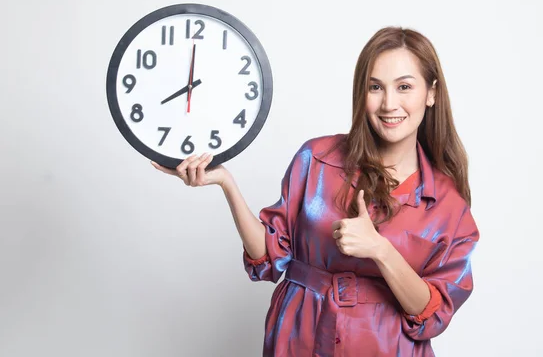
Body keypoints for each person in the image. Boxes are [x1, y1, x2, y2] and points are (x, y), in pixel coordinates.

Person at [152, 27, 480, 356]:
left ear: (431, 93)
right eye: (375, 87)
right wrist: (225, 182)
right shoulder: (317, 159)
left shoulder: (448, 205)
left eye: (404, 87)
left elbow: (432, 314)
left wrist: (379, 249)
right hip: (299, 339)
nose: (389, 103)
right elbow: (269, 257)